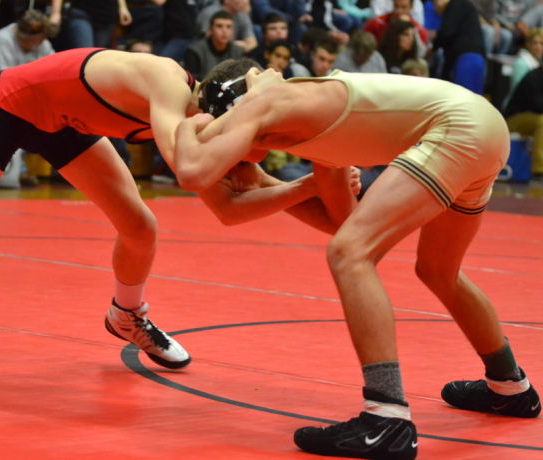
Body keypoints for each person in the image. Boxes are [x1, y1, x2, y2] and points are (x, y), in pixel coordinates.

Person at [0, 48, 342, 382]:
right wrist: (305, 183)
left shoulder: (199, 122)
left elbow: (255, 196)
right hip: (11, 105)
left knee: (140, 225)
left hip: (63, 123)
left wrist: (332, 200)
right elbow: (221, 198)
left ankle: (126, 317)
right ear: (220, 114)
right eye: (249, 133)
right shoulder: (167, 89)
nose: (249, 146)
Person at [174, 61, 540, 459]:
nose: (240, 159)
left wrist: (183, 127)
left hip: (458, 130)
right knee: (438, 270)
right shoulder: (310, 130)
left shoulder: (268, 99)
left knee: (350, 255)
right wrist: (291, 187)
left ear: (234, 112)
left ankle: (387, 418)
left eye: (228, 133)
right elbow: (343, 222)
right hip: (482, 131)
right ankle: (511, 388)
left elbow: (193, 172)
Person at [183, 10, 244, 80]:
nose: (224, 31)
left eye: (229, 27)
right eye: (219, 26)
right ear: (210, 29)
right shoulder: (194, 51)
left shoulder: (238, 51)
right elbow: (192, 82)